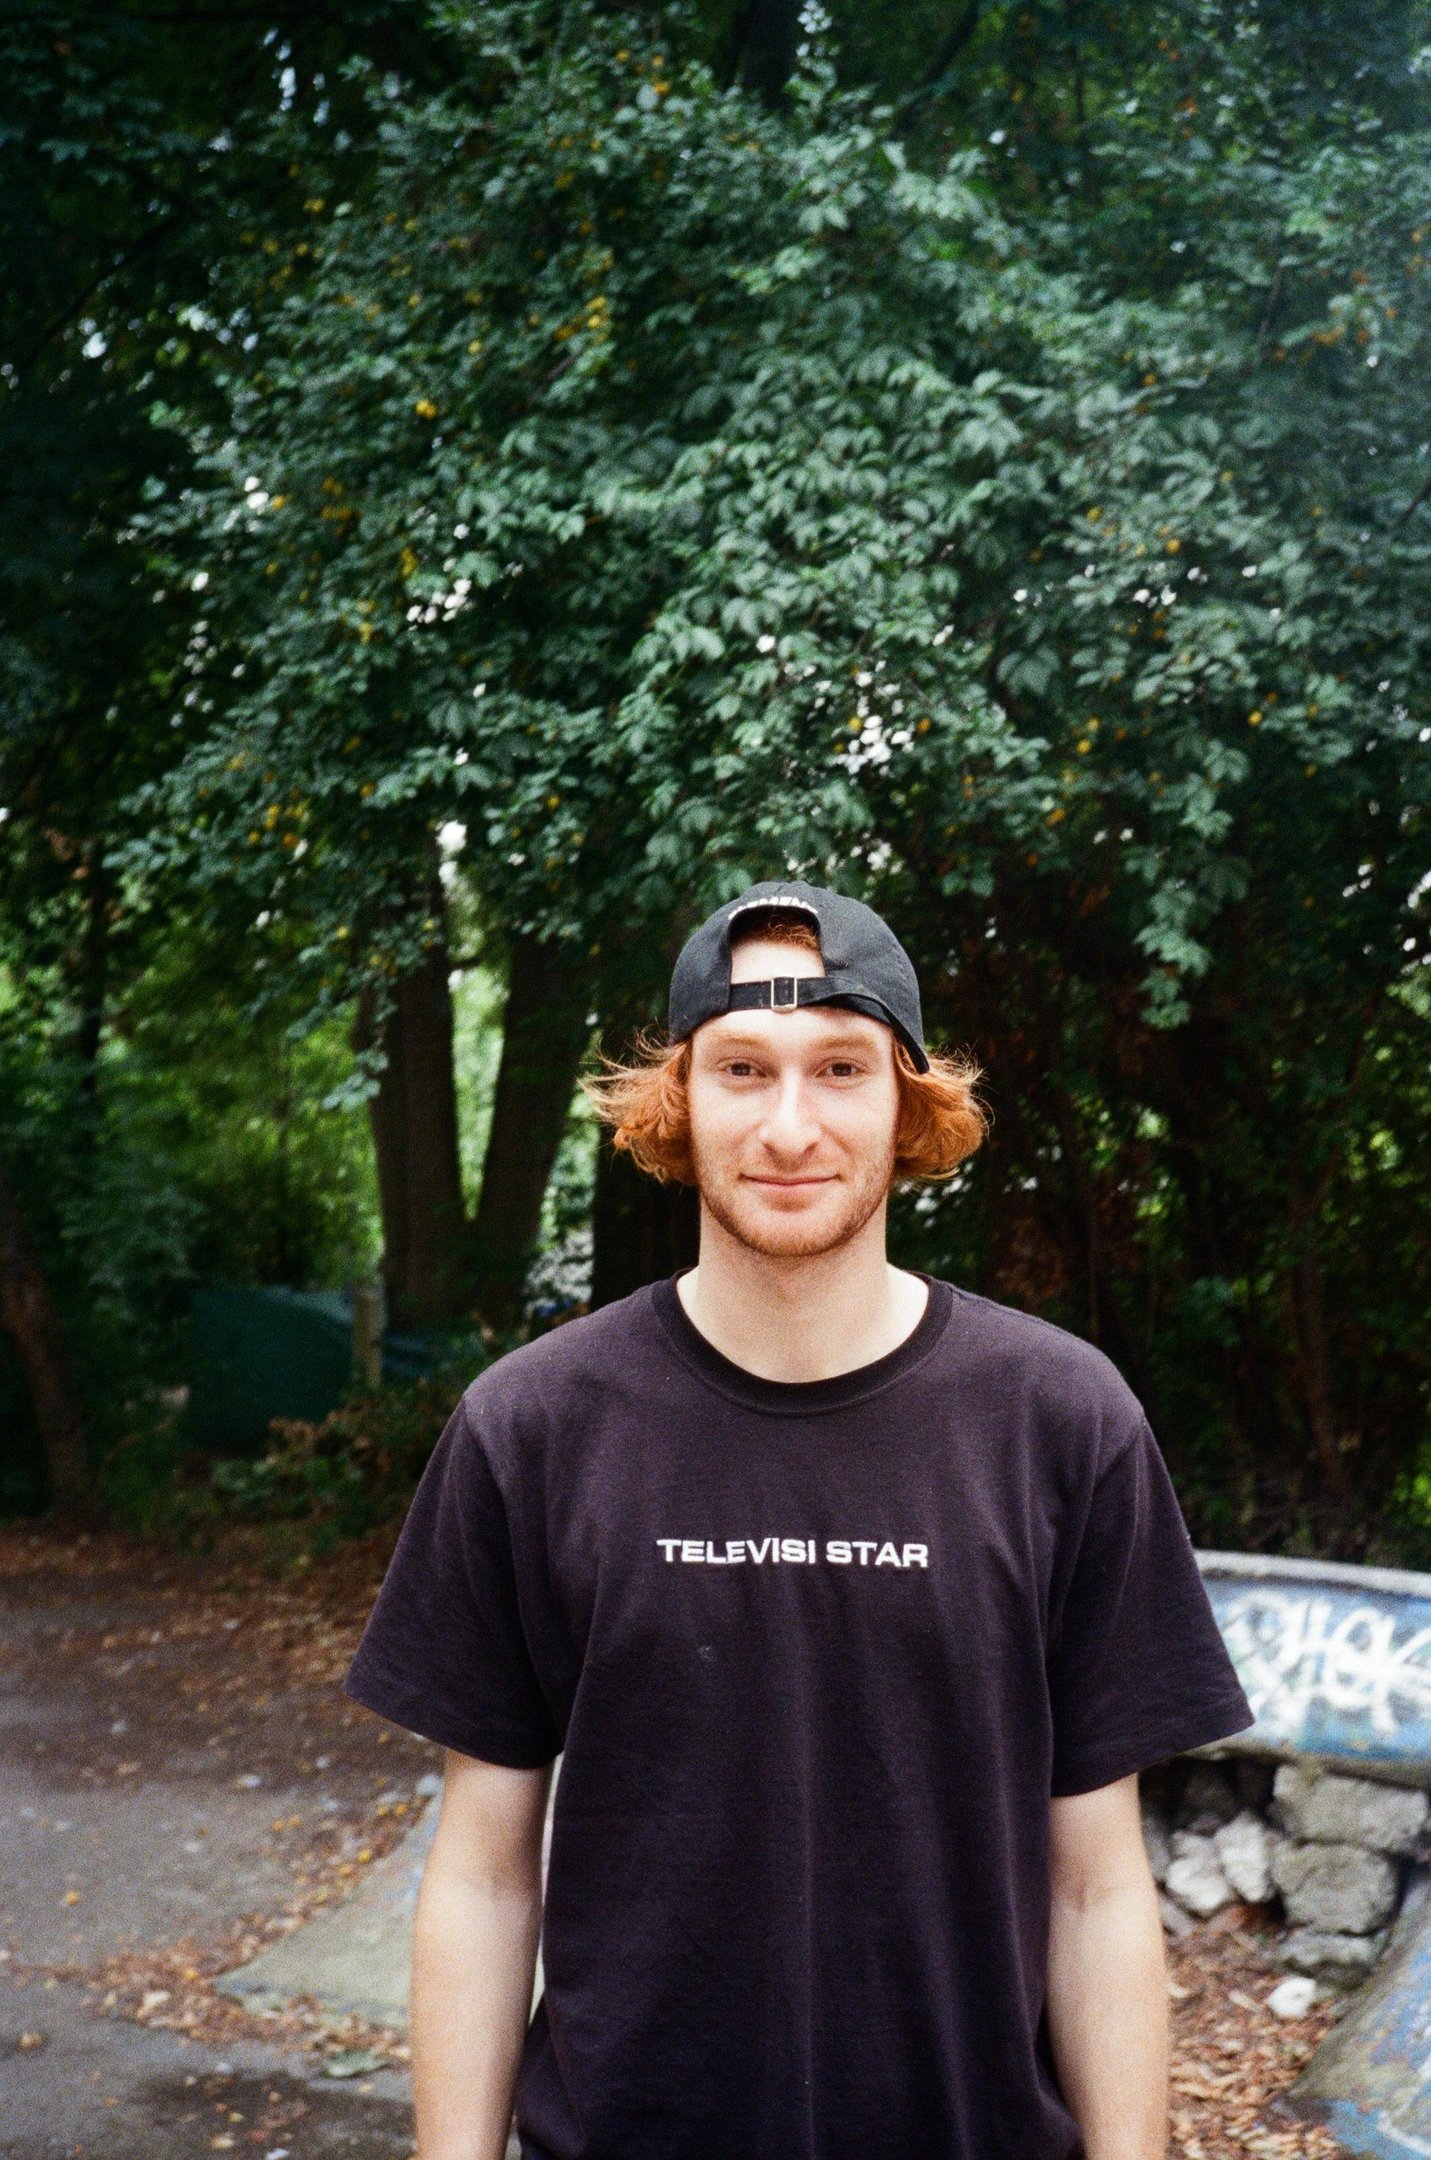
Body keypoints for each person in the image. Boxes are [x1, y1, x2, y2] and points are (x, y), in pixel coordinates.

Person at [342, 877, 1256, 2160]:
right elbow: (487, 1876)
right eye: (742, 1070)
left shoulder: (1060, 1419)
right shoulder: (531, 1428)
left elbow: (1097, 1887)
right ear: (678, 1097)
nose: (789, 1126)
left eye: (839, 1068)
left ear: (906, 1102)